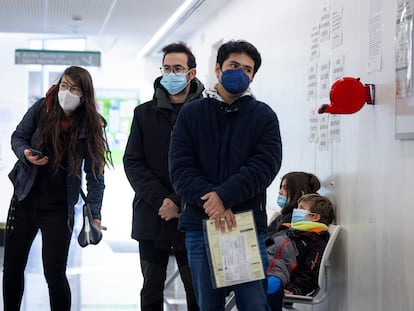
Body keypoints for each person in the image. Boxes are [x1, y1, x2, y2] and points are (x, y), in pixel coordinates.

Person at [169, 39, 282, 311]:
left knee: (253, 304)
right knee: (208, 305)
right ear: (218, 69)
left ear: (253, 76)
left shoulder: (263, 116)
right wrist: (213, 203)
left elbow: (265, 166)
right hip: (200, 223)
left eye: (247, 69)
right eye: (234, 65)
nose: (240, 73)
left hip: (241, 225)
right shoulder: (192, 113)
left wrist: (224, 197)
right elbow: (180, 167)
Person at [3, 66, 112, 311]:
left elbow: (95, 175)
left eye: (74, 88)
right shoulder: (42, 108)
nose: (66, 92)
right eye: (64, 85)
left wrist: (95, 214)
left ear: (84, 94)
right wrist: (25, 154)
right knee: (12, 268)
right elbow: (18, 137)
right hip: (24, 200)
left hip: (59, 209)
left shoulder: (91, 124)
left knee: (55, 274)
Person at [123, 42, 204, 311]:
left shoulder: (207, 113)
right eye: (167, 68)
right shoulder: (144, 113)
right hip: (152, 214)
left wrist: (178, 201)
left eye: (178, 68)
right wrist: (162, 200)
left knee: (198, 291)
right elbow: (132, 162)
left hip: (192, 215)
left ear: (191, 73)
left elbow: (209, 166)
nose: (171, 74)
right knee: (151, 290)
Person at [266, 193, 335, 311]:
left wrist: (295, 289)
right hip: (261, 264)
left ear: (315, 217)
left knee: (271, 287)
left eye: (301, 208)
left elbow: (311, 272)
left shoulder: (316, 241)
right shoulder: (290, 230)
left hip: (277, 273)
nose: (296, 211)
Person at [266, 171, 321, 236]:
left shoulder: (294, 218)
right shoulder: (284, 214)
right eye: (281, 187)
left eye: (285, 188)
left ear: (300, 194)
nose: (280, 192)